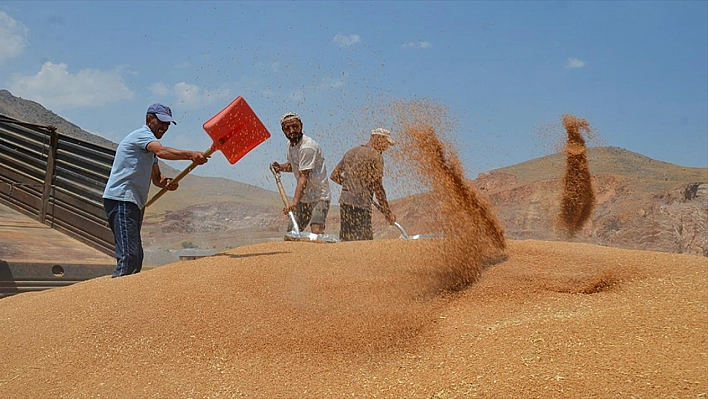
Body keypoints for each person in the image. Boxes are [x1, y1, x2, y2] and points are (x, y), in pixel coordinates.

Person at [103, 103, 208, 277]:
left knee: (136, 257)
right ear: (149, 119)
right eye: (162, 122)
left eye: (168, 124)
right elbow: (161, 151)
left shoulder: (148, 149)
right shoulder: (142, 136)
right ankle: (114, 296)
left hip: (134, 202)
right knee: (129, 257)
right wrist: (190, 155)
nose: (165, 127)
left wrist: (167, 182)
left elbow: (157, 178)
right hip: (121, 198)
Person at [330, 128, 397, 241]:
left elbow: (334, 176)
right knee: (364, 243)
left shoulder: (351, 151)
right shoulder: (376, 156)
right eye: (386, 143)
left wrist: (350, 186)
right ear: (376, 138)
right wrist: (387, 212)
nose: (386, 147)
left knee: (346, 241)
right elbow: (378, 188)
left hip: (345, 202)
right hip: (362, 204)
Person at [270, 112, 331, 235]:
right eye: (287, 128)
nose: (292, 131)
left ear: (301, 126)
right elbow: (294, 166)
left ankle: (321, 254)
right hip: (304, 198)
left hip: (319, 197)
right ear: (283, 130)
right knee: (292, 233)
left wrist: (294, 203)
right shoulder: (290, 146)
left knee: (316, 231)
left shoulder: (307, 147)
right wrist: (280, 167)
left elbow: (303, 177)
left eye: (295, 126)